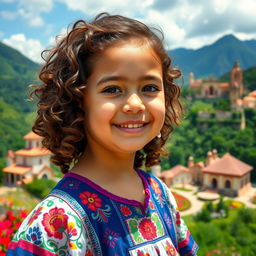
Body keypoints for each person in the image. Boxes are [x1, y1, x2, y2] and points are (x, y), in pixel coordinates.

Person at [7, 13, 198, 256]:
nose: (135, 104)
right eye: (112, 89)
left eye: (150, 87)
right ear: (78, 102)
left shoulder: (160, 194)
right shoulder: (56, 223)